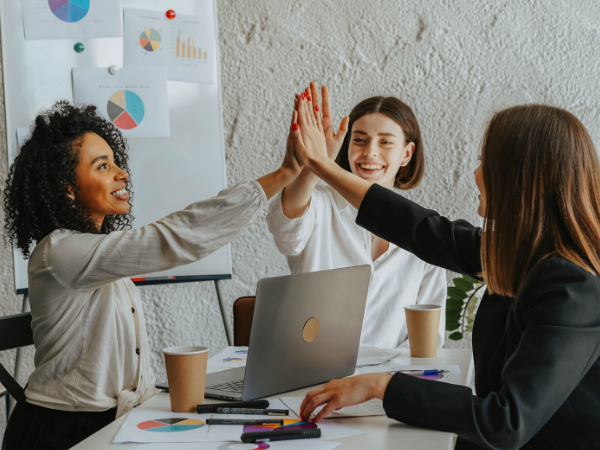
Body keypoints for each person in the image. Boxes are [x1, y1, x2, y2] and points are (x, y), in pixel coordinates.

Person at [290, 89, 600, 449]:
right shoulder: (520, 252)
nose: (476, 173)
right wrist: (322, 167)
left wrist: (381, 385)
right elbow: (421, 229)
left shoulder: (574, 286)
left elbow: (505, 422)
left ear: (519, 180)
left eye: (487, 162)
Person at [1, 101, 302, 450]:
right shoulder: (60, 252)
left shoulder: (98, 253)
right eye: (103, 166)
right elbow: (171, 239)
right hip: (62, 432)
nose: (122, 173)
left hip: (114, 421)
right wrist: (283, 174)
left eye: (116, 162)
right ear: (67, 188)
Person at [267, 83, 446, 348]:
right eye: (359, 140)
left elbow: (428, 339)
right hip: (313, 378)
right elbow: (285, 228)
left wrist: (386, 384)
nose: (370, 152)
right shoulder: (319, 205)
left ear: (406, 154)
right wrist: (316, 164)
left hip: (387, 382)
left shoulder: (424, 231)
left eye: (385, 142)